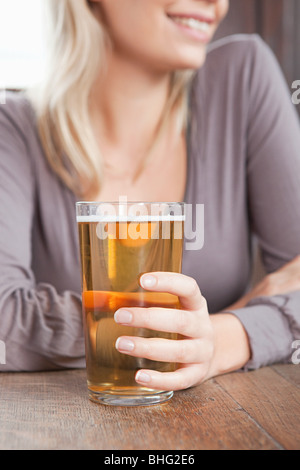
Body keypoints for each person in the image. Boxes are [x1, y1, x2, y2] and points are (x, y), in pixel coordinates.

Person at [0, 0, 300, 392]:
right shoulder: (14, 130)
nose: (217, 3)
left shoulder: (242, 78)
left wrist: (221, 338)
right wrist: (199, 328)